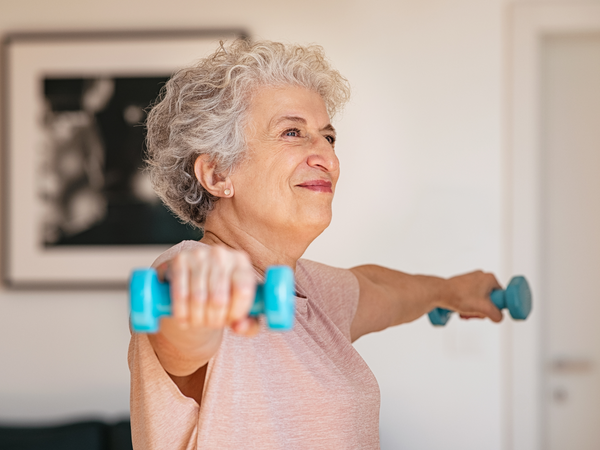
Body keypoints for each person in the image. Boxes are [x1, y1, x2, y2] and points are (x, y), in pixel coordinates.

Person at [128, 39, 503, 450]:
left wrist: (452, 292)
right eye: (292, 133)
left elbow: (379, 288)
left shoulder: (309, 290)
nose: (326, 155)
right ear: (217, 175)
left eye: (328, 137)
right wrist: (195, 308)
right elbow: (180, 321)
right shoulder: (196, 266)